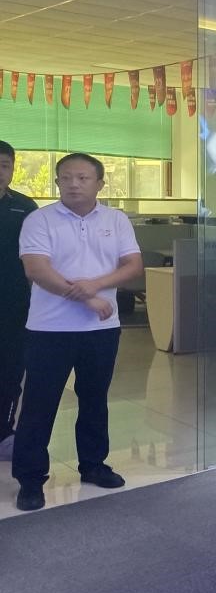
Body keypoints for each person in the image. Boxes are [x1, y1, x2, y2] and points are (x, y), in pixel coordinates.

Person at [13, 153, 143, 512]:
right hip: (49, 329)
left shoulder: (116, 220)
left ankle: (94, 465)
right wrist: (89, 298)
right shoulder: (39, 220)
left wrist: (95, 285)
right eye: (66, 178)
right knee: (39, 405)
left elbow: (133, 265)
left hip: (102, 329)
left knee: (95, 399)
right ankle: (30, 479)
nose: (74, 184)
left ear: (100, 183)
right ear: (57, 182)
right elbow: (37, 270)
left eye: (83, 178)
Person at [0, 140, 38, 461]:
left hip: (14, 304)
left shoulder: (25, 207)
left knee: (11, 370)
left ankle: (3, 433)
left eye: (4, 165)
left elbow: (38, 255)